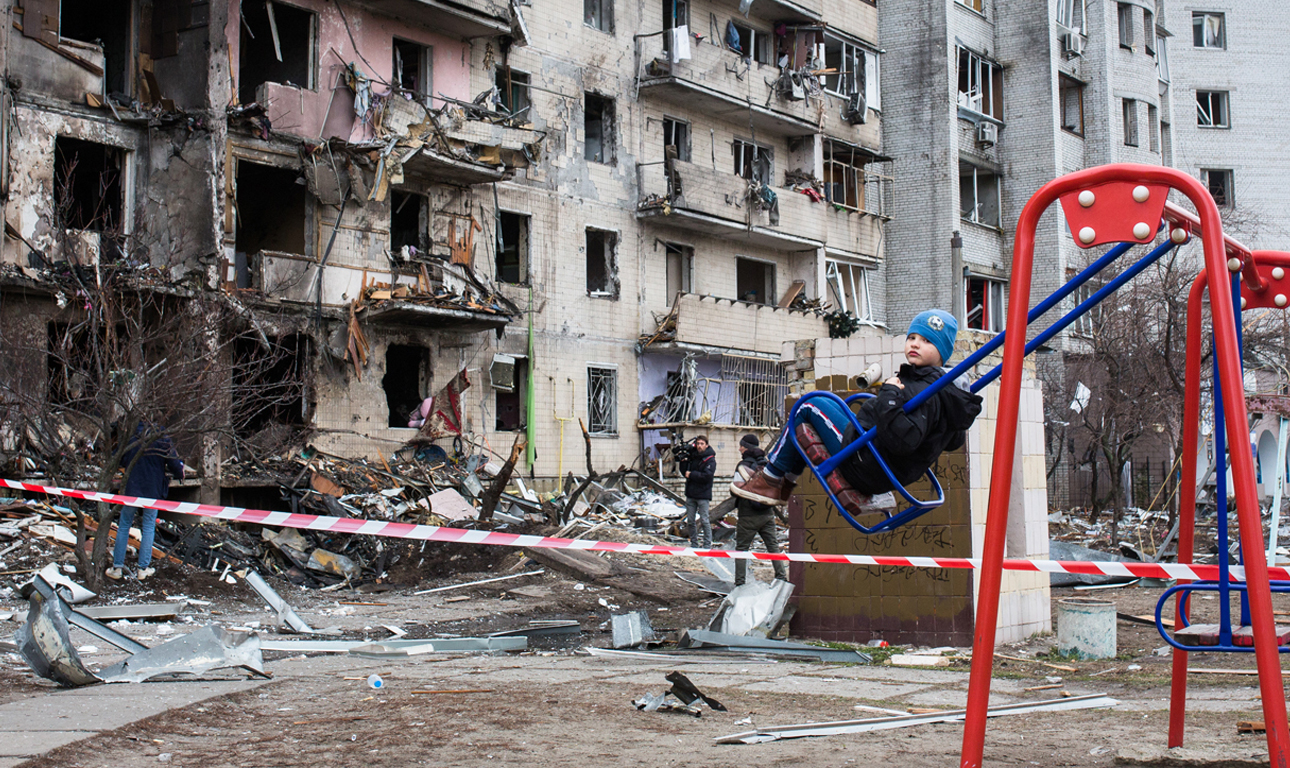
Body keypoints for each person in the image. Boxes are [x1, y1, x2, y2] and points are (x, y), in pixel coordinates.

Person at [733, 309, 982, 516]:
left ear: (942, 352)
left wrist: (889, 395)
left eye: (927, 341)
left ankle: (772, 478)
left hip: (866, 461)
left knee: (807, 405)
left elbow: (905, 440)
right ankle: (781, 480)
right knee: (816, 408)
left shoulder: (926, 391)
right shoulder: (944, 392)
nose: (916, 343)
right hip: (878, 463)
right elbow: (952, 440)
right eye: (912, 337)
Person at [107, 423, 186, 581]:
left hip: (132, 489)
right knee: (148, 526)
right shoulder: (161, 438)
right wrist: (180, 472)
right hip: (152, 490)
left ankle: (117, 568)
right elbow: (174, 463)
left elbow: (118, 458)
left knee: (124, 526)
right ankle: (143, 569)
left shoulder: (133, 438)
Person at [732, 434, 789, 586]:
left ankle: (740, 584)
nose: (739, 448)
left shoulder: (743, 465)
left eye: (741, 446)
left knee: (741, 550)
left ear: (747, 448)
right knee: (773, 547)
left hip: (748, 516)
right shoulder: (768, 464)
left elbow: (734, 490)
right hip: (767, 513)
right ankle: (782, 579)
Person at [680, 435, 716, 548]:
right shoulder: (693, 456)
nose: (699, 446)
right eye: (698, 444)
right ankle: (694, 543)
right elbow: (684, 472)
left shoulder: (710, 459)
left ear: (706, 445)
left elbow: (707, 476)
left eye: (702, 444)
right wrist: (683, 461)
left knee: (704, 520)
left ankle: (707, 544)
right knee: (690, 521)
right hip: (691, 493)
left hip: (703, 494)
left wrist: (692, 475)